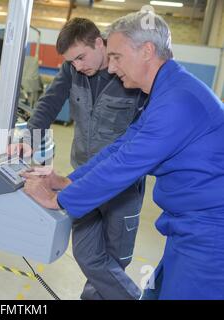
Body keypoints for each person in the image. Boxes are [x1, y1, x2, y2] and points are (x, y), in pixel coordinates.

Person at [22, 11, 224, 300]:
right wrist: (68, 181)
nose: (112, 68)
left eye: (116, 57)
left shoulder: (177, 102)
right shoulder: (168, 92)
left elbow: (127, 163)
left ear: (147, 51)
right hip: (188, 226)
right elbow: (122, 147)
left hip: (211, 233)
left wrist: (59, 200)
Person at [11, 17, 147, 300]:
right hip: (81, 177)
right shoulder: (73, 71)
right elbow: (49, 102)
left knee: (115, 259)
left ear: (100, 43)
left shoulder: (128, 73)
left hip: (121, 186)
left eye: (81, 57)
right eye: (72, 61)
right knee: (86, 254)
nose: (78, 66)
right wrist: (27, 141)